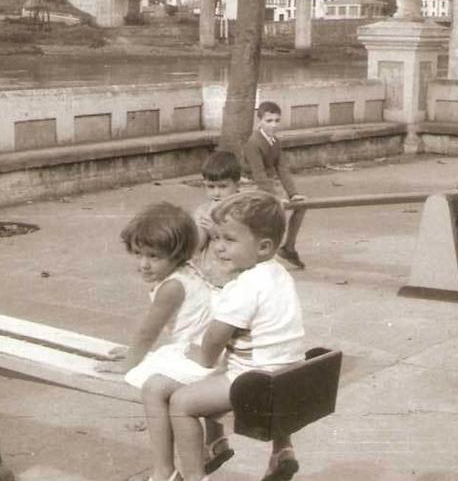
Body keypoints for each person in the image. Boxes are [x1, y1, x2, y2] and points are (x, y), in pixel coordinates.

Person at [169, 190, 306, 481]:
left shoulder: (244, 286)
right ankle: (282, 450)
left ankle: (194, 476)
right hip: (289, 374)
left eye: (229, 240)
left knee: (181, 401)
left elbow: (215, 338)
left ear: (264, 247)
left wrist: (201, 361)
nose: (218, 247)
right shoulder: (278, 273)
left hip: (255, 382)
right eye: (216, 237)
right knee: (219, 372)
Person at [95, 202, 231, 481]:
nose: (143, 264)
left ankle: (163, 471)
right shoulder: (185, 268)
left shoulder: (172, 287)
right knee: (155, 377)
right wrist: (137, 353)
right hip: (201, 349)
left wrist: (129, 363)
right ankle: (167, 470)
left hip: (203, 357)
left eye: (153, 256)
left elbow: (149, 331)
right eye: (138, 254)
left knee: (152, 389)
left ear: (176, 255)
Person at [242, 101, 307, 269]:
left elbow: (282, 169)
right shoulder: (253, 143)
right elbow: (259, 175)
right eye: (269, 121)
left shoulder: (275, 142)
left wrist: (293, 194)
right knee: (273, 214)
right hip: (249, 186)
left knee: (301, 205)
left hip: (265, 186)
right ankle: (256, 255)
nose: (273, 125)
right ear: (260, 121)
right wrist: (275, 197)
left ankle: (289, 247)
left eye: (277, 121)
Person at [192, 151, 240, 288]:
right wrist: (203, 227)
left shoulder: (242, 210)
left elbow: (244, 241)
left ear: (237, 184)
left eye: (223, 186)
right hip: (209, 276)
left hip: (237, 276)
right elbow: (196, 247)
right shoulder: (203, 210)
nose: (216, 193)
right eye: (211, 187)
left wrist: (216, 230)